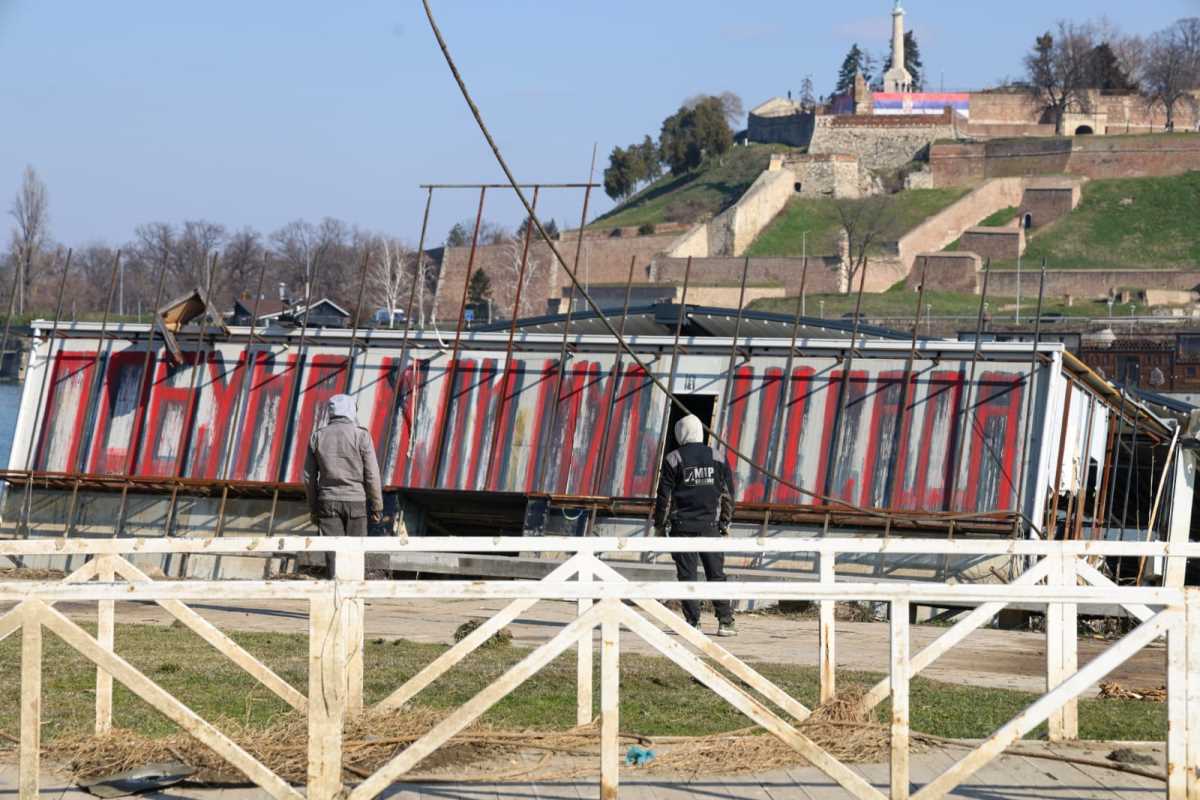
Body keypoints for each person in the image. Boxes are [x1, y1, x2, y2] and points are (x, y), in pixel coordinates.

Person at [653, 414, 737, 636]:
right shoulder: (718, 457)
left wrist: (659, 526)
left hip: (682, 528)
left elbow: (664, 497)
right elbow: (728, 495)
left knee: (687, 576)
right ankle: (725, 622)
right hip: (710, 527)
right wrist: (725, 523)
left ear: (680, 433)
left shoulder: (673, 459)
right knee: (716, 574)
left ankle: (693, 623)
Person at [303, 394, 384, 573]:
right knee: (355, 555)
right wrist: (376, 506)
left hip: (327, 502)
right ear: (351, 411)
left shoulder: (317, 437)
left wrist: (314, 509)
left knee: (334, 557)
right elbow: (372, 475)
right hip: (356, 503)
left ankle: (335, 595)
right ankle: (354, 597)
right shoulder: (361, 436)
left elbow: (309, 478)